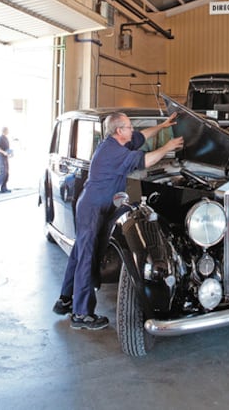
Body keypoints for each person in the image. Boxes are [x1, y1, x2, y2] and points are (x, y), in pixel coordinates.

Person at [53, 111, 184, 331]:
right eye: (129, 126)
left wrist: (163, 126)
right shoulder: (112, 151)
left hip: (102, 205)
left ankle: (66, 299)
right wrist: (168, 146)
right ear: (119, 130)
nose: (132, 129)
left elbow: (142, 136)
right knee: (87, 256)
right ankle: (81, 314)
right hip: (93, 207)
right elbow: (145, 160)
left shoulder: (119, 141)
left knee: (80, 253)